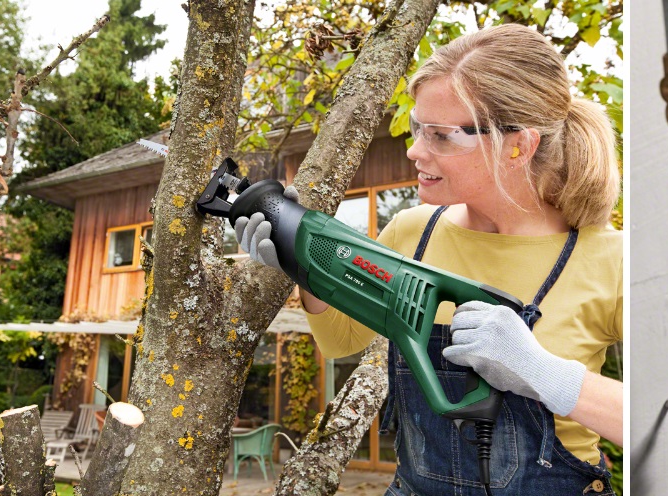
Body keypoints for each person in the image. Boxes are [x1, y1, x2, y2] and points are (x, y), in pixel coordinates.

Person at [236, 24, 622, 495]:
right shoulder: (413, 231)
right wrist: (302, 261)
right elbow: (339, 340)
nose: (415, 150)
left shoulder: (611, 259)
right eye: (419, 128)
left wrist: (542, 372)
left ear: (519, 145)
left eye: (441, 136)